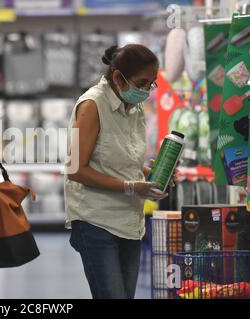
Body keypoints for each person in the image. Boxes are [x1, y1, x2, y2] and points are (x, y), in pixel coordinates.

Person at [65, 44, 176, 299]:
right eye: (142, 82)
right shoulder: (93, 105)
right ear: (118, 77)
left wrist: (156, 173)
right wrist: (131, 187)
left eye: (151, 84)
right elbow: (75, 170)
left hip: (129, 221)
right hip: (96, 221)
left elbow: (125, 161)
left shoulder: (133, 108)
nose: (146, 90)